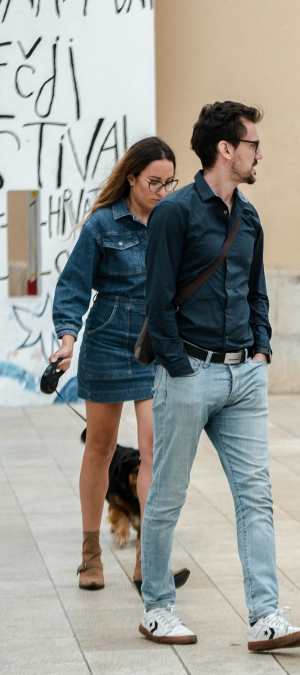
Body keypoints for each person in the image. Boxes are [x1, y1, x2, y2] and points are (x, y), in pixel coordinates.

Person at [138, 102, 300, 651]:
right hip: (189, 372)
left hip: (244, 377)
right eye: (253, 144)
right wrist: (176, 365)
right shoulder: (176, 212)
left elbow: (255, 289)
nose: (259, 153)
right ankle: (157, 608)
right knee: (168, 494)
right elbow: (158, 298)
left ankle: (265, 615)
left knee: (255, 497)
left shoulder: (250, 215)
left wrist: (261, 347)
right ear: (226, 149)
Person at [50, 137, 191, 592]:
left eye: (169, 183)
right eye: (154, 181)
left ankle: (148, 560)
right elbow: (72, 287)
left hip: (156, 346)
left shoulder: (175, 219)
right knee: (101, 449)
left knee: (154, 450)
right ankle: (91, 555)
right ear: (131, 177)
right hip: (108, 343)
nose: (162, 191)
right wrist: (67, 341)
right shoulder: (101, 225)